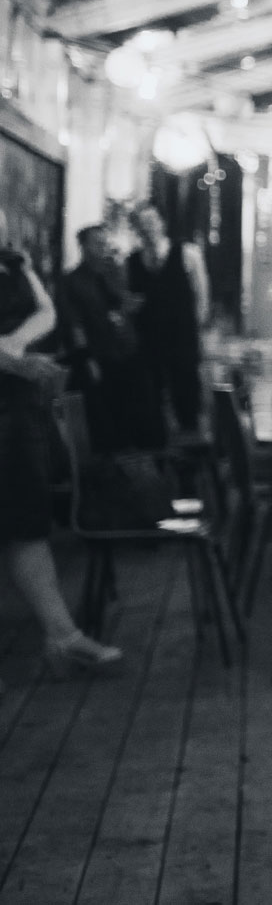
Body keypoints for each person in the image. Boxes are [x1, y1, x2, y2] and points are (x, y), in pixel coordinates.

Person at [2, 209, 123, 676]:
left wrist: (12, 345)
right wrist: (15, 361)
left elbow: (47, 312)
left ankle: (61, 634)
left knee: (25, 524)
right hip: (11, 397)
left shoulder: (15, 263)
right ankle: (62, 634)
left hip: (16, 410)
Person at [61, 224, 165, 452]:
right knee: (107, 427)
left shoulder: (113, 274)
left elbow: (122, 307)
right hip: (100, 360)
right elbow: (75, 326)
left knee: (141, 418)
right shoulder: (73, 281)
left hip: (128, 356)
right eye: (97, 243)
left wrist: (126, 296)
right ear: (84, 247)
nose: (103, 248)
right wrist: (87, 360)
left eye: (105, 243)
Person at [126, 204, 208, 433]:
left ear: (162, 223)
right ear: (136, 229)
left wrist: (196, 332)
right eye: (141, 223)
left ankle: (191, 449)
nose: (147, 227)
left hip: (182, 336)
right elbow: (132, 297)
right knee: (151, 396)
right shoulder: (132, 260)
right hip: (149, 338)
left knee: (186, 393)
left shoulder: (187, 253)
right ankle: (159, 448)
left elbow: (201, 296)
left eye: (151, 221)